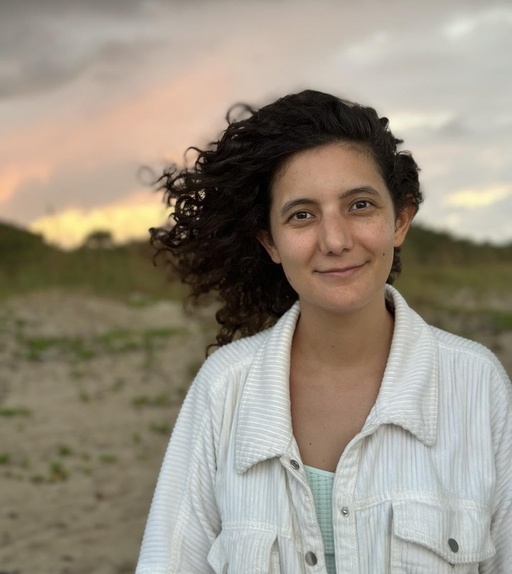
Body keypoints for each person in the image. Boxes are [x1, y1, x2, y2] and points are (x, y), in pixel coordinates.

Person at [136, 90, 511, 573]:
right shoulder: (224, 388)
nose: (335, 240)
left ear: (400, 220)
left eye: (360, 205)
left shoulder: (477, 382)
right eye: (302, 215)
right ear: (270, 242)